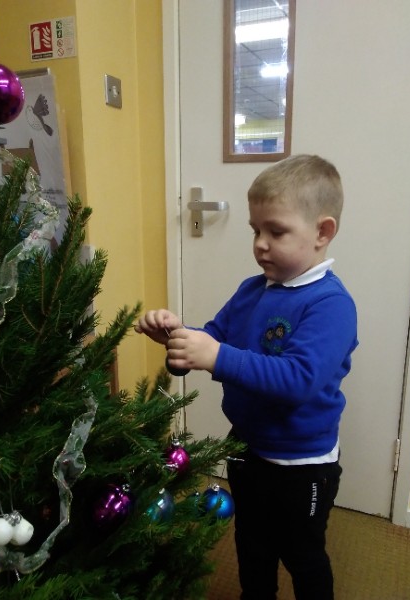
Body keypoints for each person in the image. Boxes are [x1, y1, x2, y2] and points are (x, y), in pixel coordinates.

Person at [135, 154, 358, 600]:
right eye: (255, 230)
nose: (260, 244)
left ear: (322, 232)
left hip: (301, 464)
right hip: (245, 447)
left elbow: (297, 380)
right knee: (252, 544)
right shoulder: (252, 289)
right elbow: (215, 338)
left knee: (302, 553)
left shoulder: (331, 305)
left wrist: (214, 355)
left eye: (276, 232)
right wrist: (179, 336)